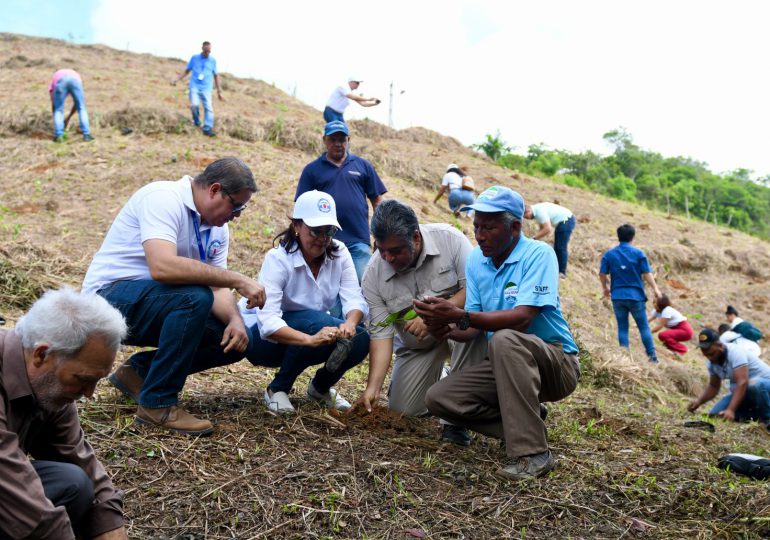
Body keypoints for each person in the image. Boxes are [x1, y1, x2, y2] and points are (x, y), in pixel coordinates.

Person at [82, 157, 266, 436]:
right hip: (109, 300)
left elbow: (217, 287)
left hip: (156, 305)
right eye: (236, 205)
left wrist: (236, 321)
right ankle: (157, 405)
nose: (237, 214)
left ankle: (140, 373)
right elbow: (162, 266)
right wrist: (239, 279)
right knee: (193, 298)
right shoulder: (163, 198)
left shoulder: (218, 229)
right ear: (215, 190)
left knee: (231, 341)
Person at [415, 186, 581, 480]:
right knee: (439, 398)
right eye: (476, 226)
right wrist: (445, 326)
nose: (479, 235)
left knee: (505, 338)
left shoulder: (539, 254)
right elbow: (473, 327)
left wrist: (460, 315)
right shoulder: (477, 261)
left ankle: (533, 454)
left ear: (515, 227)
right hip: (505, 362)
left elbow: (521, 319)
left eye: (489, 227)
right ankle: (527, 423)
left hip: (556, 362)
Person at [354, 200, 487, 446]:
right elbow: (381, 334)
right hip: (420, 346)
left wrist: (435, 317)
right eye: (381, 249)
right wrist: (373, 388)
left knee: (468, 333)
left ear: (415, 237)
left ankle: (454, 421)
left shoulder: (451, 240)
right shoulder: (373, 275)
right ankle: (444, 377)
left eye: (395, 251)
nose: (387, 257)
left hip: (459, 332)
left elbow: (476, 290)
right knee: (404, 408)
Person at [1, 288, 128, 539]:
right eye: (83, 379)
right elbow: (9, 483)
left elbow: (76, 455)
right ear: (42, 354)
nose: (89, 393)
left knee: (73, 481)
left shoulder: (48, 386)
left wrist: (111, 526)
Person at [241, 190, 370, 414]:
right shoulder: (278, 259)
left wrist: (350, 323)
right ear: (296, 226)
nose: (322, 238)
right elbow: (268, 323)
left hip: (312, 330)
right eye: (315, 230)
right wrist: (309, 340)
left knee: (360, 338)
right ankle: (277, 389)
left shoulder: (339, 253)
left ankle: (320, 388)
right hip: (263, 341)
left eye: (328, 231)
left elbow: (353, 298)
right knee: (316, 322)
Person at [295, 120, 387, 282]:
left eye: (342, 139)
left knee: (365, 284)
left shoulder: (363, 166)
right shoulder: (312, 170)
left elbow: (377, 201)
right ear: (324, 140)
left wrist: (381, 235)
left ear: (348, 140)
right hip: (324, 241)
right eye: (333, 139)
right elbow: (302, 207)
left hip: (358, 240)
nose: (338, 144)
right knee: (330, 288)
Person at [599, 223, 662, 363]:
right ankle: (652, 358)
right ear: (632, 237)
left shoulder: (609, 254)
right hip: (636, 296)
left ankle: (625, 358)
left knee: (622, 327)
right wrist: (656, 289)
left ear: (618, 236)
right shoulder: (639, 253)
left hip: (618, 296)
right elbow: (647, 273)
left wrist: (605, 287)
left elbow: (602, 273)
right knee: (644, 327)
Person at [687, 328, 770, 428]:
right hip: (746, 392)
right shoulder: (712, 363)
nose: (709, 357)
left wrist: (731, 409)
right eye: (706, 354)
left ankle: (767, 419)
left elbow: (742, 382)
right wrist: (698, 402)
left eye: (711, 354)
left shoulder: (735, 352)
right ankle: (755, 416)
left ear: (720, 346)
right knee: (716, 414)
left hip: (764, 387)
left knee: (753, 384)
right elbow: (713, 386)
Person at [171, 41, 223, 137]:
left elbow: (216, 76)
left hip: (206, 88)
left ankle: (207, 128)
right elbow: (187, 71)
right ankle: (197, 122)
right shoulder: (194, 58)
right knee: (194, 105)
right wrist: (176, 79)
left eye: (209, 51)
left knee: (208, 108)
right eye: (206, 51)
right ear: (202, 49)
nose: (208, 53)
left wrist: (219, 91)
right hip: (194, 86)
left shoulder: (213, 61)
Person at [523, 202, 576, 278]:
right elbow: (542, 228)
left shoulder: (538, 212)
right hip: (565, 220)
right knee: (557, 246)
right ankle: (557, 270)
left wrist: (533, 238)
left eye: (525, 216)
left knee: (560, 247)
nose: (526, 218)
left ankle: (562, 272)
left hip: (566, 219)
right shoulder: (536, 211)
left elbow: (547, 229)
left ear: (528, 211)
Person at [49, 69, 93, 142]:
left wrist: (57, 119)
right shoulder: (76, 75)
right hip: (75, 81)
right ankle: (86, 135)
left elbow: (54, 103)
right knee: (82, 108)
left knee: (59, 110)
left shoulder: (54, 79)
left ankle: (59, 136)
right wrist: (68, 118)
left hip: (61, 81)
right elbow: (77, 104)